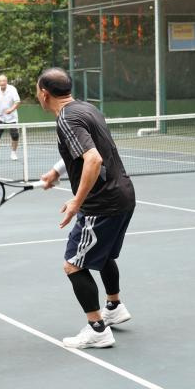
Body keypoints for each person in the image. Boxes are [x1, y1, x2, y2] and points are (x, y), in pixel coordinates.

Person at [36, 67, 136, 349]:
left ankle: (97, 329)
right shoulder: (86, 109)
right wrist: (57, 171)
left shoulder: (66, 118)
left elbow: (92, 160)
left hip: (101, 203)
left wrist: (76, 202)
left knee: (73, 266)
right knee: (102, 257)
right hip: (123, 195)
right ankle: (114, 308)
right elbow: (87, 150)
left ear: (44, 94)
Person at [0, 75, 21, 161]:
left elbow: (17, 102)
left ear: (6, 81)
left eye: (4, 81)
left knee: (15, 135)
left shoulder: (12, 89)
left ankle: (13, 153)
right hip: (0, 117)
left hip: (12, 118)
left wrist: (11, 109)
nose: (2, 83)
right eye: (1, 81)